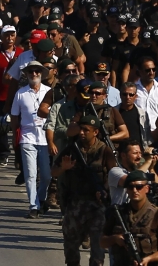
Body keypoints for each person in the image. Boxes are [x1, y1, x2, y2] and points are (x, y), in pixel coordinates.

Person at [52, 115, 117, 266]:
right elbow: (53, 172)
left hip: (97, 206)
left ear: (95, 132)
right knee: (71, 247)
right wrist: (63, 168)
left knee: (97, 248)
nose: (81, 133)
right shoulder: (72, 149)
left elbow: (114, 175)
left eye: (86, 130)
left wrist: (105, 191)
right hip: (75, 204)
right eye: (81, 129)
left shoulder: (104, 150)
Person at [11, 63, 53, 218]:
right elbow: (15, 116)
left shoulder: (49, 92)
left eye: (37, 71)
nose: (34, 73)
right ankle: (33, 206)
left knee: (47, 176)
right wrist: (15, 138)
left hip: (45, 137)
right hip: (27, 137)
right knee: (30, 174)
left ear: (41, 73)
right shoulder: (20, 93)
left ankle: (40, 199)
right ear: (27, 74)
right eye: (31, 71)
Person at [101, 169, 158, 266]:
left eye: (139, 187)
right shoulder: (118, 213)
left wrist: (148, 259)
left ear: (147, 188)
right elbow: (102, 242)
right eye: (130, 187)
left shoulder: (155, 214)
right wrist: (114, 239)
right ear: (126, 190)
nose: (135, 190)